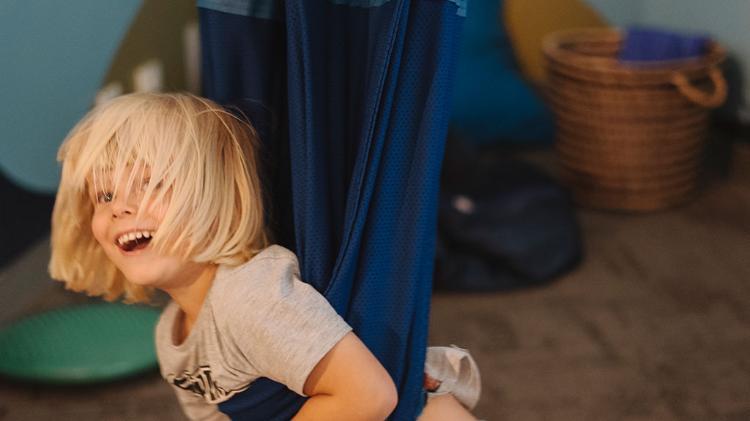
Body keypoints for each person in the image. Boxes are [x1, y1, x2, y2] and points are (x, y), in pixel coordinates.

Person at [49, 92, 479, 420]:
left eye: (150, 183)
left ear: (215, 199)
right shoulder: (171, 336)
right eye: (104, 194)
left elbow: (368, 395)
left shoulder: (250, 295)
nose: (119, 207)